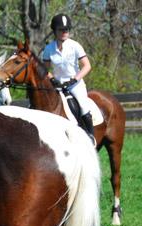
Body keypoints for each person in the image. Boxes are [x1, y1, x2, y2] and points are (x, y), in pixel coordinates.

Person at [41, 14, 95, 143]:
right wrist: (52, 79)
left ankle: (91, 136)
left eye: (67, 29)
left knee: (83, 106)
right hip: (57, 84)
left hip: (75, 84)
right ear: (55, 31)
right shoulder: (49, 49)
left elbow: (87, 66)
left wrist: (75, 79)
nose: (65, 32)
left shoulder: (75, 46)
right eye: (61, 29)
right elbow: (45, 70)